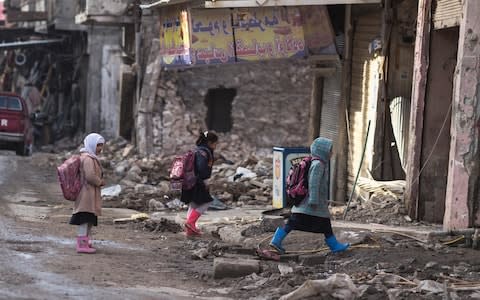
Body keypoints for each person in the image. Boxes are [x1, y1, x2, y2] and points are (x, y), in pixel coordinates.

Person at [270, 137, 350, 254]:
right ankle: (334, 246)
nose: (332, 153)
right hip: (310, 204)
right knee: (313, 223)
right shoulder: (318, 165)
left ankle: (276, 240)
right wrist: (313, 199)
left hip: (308, 205)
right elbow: (313, 183)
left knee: (304, 223)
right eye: (330, 150)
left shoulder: (318, 162)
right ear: (323, 151)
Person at [69, 133, 105, 253]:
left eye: (101, 146)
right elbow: (90, 176)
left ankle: (86, 242)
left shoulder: (89, 157)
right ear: (92, 144)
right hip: (86, 195)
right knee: (84, 219)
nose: (100, 148)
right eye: (98, 145)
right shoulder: (88, 159)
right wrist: (99, 182)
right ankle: (82, 245)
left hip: (89, 194)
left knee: (88, 219)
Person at [181, 130, 218, 237]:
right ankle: (190, 223)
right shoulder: (204, 153)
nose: (215, 146)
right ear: (210, 143)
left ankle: (190, 231)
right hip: (197, 182)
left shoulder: (197, 150)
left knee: (194, 204)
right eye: (215, 144)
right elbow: (202, 169)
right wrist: (205, 182)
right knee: (207, 202)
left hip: (188, 181)